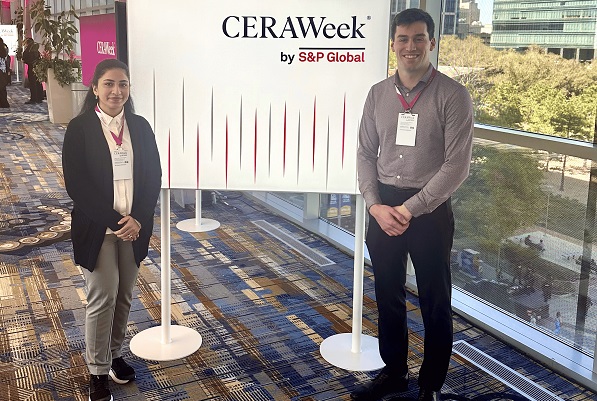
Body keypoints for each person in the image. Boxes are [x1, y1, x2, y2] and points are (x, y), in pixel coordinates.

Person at [353, 8, 473, 401]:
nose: (410, 46)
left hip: (430, 210)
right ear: (392, 44)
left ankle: (431, 384)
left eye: (419, 38)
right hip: (383, 205)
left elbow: (456, 166)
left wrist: (411, 209)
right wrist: (374, 205)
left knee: (435, 300)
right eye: (403, 39)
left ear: (432, 43)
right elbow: (365, 154)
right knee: (388, 294)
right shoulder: (377, 94)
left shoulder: (453, 96)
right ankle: (395, 372)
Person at [62, 59, 162, 401]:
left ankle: (114, 353)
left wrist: (138, 217)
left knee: (124, 295)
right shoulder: (80, 128)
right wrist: (115, 221)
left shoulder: (140, 126)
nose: (116, 91)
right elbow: (78, 185)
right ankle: (97, 371)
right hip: (98, 227)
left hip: (134, 227)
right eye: (108, 84)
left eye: (122, 84)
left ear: (129, 89)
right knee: (102, 296)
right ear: (95, 88)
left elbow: (153, 177)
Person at [22, 38, 44, 104]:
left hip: (31, 67)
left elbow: (24, 58)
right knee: (38, 82)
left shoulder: (28, 50)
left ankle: (34, 99)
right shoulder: (36, 50)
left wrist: (25, 61)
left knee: (32, 83)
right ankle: (40, 97)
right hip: (37, 67)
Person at [0, 37, 10, 108]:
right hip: (3, 70)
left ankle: (2, 103)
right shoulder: (4, 49)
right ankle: (4, 103)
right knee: (2, 87)